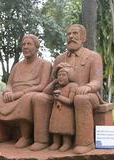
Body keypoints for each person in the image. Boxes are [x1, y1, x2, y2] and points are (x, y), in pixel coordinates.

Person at [31, 24, 103, 154]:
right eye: (68, 34)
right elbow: (52, 82)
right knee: (39, 98)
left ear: (83, 37)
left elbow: (97, 81)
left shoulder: (94, 56)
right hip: (62, 92)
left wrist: (87, 87)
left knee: (80, 98)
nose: (71, 37)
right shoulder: (59, 58)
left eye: (75, 33)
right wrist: (55, 78)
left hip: (87, 95)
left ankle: (85, 142)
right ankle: (41, 140)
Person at [0, 34, 52, 148]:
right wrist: (8, 92)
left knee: (26, 99)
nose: (25, 47)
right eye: (23, 44)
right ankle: (2, 134)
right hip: (13, 94)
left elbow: (42, 86)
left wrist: (19, 94)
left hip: (30, 94)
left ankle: (26, 137)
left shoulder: (45, 64)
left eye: (29, 44)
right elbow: (9, 84)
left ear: (36, 47)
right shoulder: (17, 66)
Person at [43, 64, 78, 152]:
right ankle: (56, 143)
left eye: (63, 75)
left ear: (69, 76)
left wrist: (59, 97)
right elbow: (45, 91)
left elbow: (70, 101)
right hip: (56, 111)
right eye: (59, 75)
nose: (60, 77)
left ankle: (67, 143)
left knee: (65, 127)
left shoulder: (73, 86)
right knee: (55, 126)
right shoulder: (57, 86)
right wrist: (54, 82)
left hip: (67, 112)